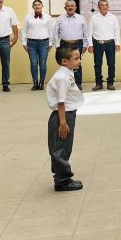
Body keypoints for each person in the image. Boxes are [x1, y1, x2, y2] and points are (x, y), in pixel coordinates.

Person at [46, 46, 85, 191]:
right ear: (64, 61)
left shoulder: (67, 72)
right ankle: (62, 180)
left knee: (64, 146)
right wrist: (63, 123)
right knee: (61, 147)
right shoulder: (62, 77)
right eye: (75, 58)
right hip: (62, 116)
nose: (79, 61)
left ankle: (62, 177)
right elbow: (60, 102)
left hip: (67, 114)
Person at [53, 0, 90, 89]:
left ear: (75, 7)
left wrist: (85, 45)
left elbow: (86, 33)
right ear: (65, 8)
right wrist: (57, 46)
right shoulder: (60, 18)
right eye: (68, 6)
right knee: (65, 64)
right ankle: (65, 84)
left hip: (78, 44)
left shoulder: (81, 18)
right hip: (64, 44)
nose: (70, 7)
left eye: (72, 6)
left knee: (77, 63)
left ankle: (77, 84)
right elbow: (55, 33)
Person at [87, 0, 120, 91]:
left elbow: (116, 31)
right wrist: (90, 45)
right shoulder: (94, 18)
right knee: (97, 64)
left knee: (111, 64)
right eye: (102, 5)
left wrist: (117, 43)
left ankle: (110, 83)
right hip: (97, 43)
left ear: (108, 6)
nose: (104, 7)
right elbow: (89, 32)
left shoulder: (113, 18)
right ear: (98, 7)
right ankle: (98, 83)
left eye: (106, 5)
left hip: (110, 43)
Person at [22, 0, 53, 91]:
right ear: (33, 7)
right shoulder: (28, 17)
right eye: (35, 5)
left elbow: (51, 31)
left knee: (42, 63)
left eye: (39, 4)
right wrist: (23, 42)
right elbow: (24, 30)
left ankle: (42, 82)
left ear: (42, 6)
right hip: (31, 43)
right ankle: (35, 82)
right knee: (34, 63)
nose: (37, 6)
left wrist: (51, 43)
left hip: (44, 43)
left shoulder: (48, 17)